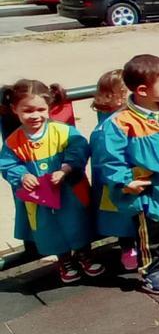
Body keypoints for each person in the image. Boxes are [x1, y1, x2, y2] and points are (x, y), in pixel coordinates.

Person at [96, 55, 159, 294]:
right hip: (145, 189)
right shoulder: (121, 122)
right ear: (142, 90)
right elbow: (110, 158)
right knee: (149, 233)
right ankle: (150, 271)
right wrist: (125, 181)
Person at [0, 80, 101, 284]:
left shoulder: (62, 131)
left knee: (78, 223)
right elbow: (7, 164)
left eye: (40, 109)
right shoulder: (14, 141)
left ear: (49, 108)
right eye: (28, 110)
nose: (35, 115)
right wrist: (22, 175)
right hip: (39, 199)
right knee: (50, 229)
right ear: (14, 109)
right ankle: (64, 261)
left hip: (69, 191)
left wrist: (67, 167)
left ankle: (84, 255)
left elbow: (79, 148)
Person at [89, 69, 139, 272]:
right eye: (128, 92)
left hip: (130, 175)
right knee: (122, 216)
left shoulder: (128, 117)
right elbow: (104, 158)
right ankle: (128, 248)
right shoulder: (108, 126)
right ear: (113, 97)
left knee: (135, 212)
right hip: (115, 179)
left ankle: (137, 245)